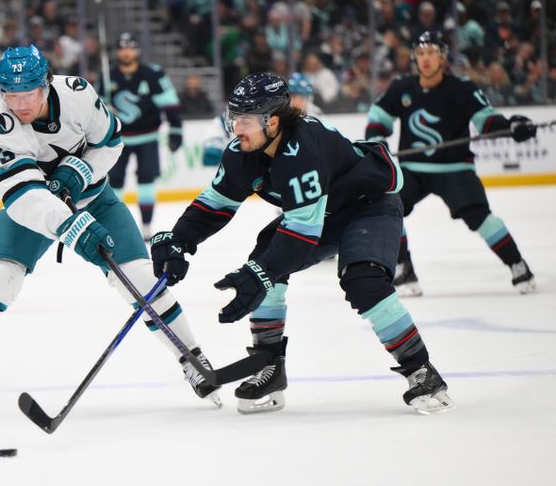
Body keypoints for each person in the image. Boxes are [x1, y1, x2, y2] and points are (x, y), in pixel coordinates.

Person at [0, 45, 220, 415]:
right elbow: (23, 196)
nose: (20, 104)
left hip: (96, 200)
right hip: (32, 213)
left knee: (141, 279)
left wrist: (78, 173)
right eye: (10, 95)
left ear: (45, 83)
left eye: (28, 93)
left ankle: (191, 358)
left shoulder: (78, 94)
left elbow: (110, 144)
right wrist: (72, 227)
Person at [150, 72, 455, 415]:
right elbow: (215, 204)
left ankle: (422, 371)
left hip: (369, 205)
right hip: (322, 212)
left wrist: (260, 274)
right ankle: (271, 366)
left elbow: (301, 233)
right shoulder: (243, 150)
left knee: (362, 280)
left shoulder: (303, 146)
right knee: (266, 261)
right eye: (233, 118)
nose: (236, 129)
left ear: (273, 121)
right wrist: (179, 239)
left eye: (245, 120)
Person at [364, 31, 537, 295]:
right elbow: (378, 118)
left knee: (480, 217)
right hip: (412, 169)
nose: (425, 59)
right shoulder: (402, 87)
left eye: (431, 53)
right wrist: (377, 142)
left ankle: (518, 264)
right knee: (387, 206)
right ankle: (404, 267)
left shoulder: (463, 88)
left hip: (455, 169)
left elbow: (487, 122)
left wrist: (512, 126)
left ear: (442, 57)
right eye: (421, 53)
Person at [104, 32, 183, 241]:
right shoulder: (107, 75)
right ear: (117, 51)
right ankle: (115, 225)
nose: (126, 52)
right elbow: (95, 107)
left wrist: (176, 129)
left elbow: (170, 103)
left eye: (130, 47)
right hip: (118, 140)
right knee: (116, 182)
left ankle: (146, 226)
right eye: (122, 48)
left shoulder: (152, 74)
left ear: (137, 51)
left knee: (146, 180)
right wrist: (105, 109)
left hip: (147, 137)